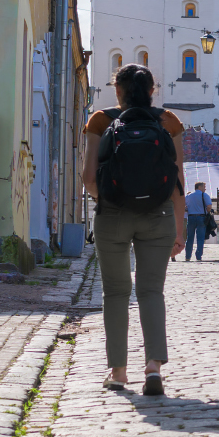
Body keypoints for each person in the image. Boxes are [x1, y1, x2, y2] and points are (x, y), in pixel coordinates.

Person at [82, 63, 185, 397]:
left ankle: (118, 371)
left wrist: (112, 200)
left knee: (115, 292)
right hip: (159, 216)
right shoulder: (169, 122)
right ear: (152, 91)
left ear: (118, 90)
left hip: (113, 215)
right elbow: (177, 181)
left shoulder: (100, 120)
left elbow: (88, 178)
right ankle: (153, 367)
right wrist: (179, 230)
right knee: (151, 291)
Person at [184, 182, 212, 261]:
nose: (205, 188)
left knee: (190, 237)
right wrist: (207, 212)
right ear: (200, 187)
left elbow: (183, 206)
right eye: (204, 187)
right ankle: (198, 256)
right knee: (200, 238)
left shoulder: (189, 196)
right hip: (201, 217)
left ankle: (188, 256)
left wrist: (188, 209)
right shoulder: (204, 195)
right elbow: (209, 206)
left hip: (191, 217)